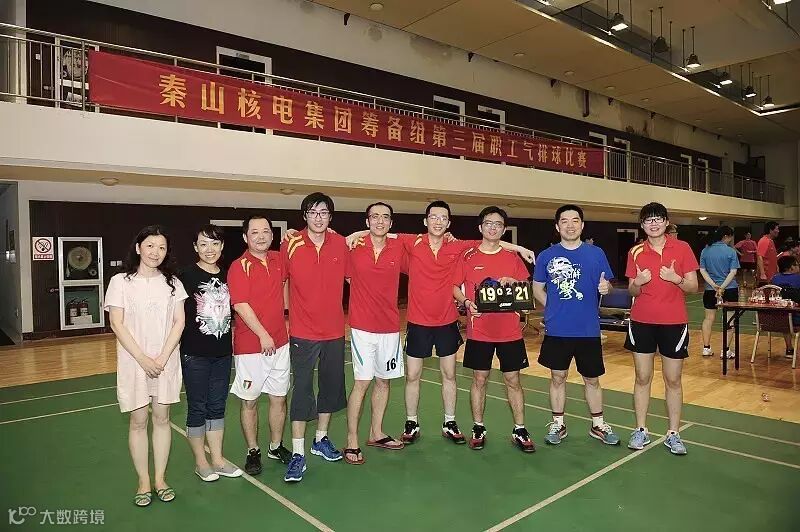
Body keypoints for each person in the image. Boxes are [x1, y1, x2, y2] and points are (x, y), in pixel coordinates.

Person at [387, 201, 534, 446]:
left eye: (443, 218)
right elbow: (379, 230)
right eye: (434, 217)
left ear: (449, 223)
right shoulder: (412, 241)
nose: (438, 221)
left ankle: (450, 422)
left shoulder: (457, 247)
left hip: (447, 320)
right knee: (412, 375)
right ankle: (411, 422)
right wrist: (353, 235)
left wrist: (519, 248)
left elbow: (491, 240)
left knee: (450, 375)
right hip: (418, 320)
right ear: (425, 221)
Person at [105, 225, 187, 507]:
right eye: (150, 245)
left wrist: (161, 358)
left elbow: (179, 322)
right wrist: (142, 359)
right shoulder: (120, 282)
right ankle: (143, 480)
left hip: (165, 361)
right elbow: (116, 323)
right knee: (138, 421)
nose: (156, 252)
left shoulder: (173, 283)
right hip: (134, 361)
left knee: (162, 419)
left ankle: (160, 478)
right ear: (138, 248)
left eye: (162, 247)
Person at [532, 205, 620, 447]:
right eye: (564, 221)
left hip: (588, 329)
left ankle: (598, 425)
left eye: (575, 220)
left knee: (592, 379)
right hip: (558, 328)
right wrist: (554, 308)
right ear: (557, 226)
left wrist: (607, 288)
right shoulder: (546, 256)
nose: (570, 225)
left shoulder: (596, 253)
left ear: (582, 225)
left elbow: (608, 285)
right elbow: (537, 288)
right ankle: (558, 424)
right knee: (557, 376)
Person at [452, 206, 535, 452]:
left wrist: (514, 282)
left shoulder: (512, 258)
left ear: (503, 229)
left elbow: (525, 287)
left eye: (498, 224)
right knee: (479, 379)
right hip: (480, 331)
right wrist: (467, 302)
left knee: (513, 380)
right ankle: (478, 427)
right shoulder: (468, 256)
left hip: (510, 331)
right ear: (480, 227)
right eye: (488, 223)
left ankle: (519, 429)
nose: (493, 228)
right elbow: (454, 286)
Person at [281, 192, 348, 482]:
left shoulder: (341, 243)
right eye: (312, 212)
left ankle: (321, 438)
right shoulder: (290, 243)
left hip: (334, 331)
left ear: (330, 217)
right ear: (305, 216)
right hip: (302, 331)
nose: (318, 217)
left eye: (323, 212)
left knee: (331, 388)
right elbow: (280, 280)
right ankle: (298, 453)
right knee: (303, 391)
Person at [625, 203, 698, 456]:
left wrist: (675, 278)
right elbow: (632, 290)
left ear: (666, 222)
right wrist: (638, 282)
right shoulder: (635, 251)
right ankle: (640, 429)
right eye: (648, 220)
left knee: (673, 379)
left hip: (674, 322)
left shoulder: (683, 248)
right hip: (641, 321)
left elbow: (693, 287)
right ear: (642, 225)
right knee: (642, 377)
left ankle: (673, 433)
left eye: (658, 219)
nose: (653, 224)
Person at [227, 215, 293, 479]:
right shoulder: (238, 266)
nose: (261, 236)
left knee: (279, 398)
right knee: (250, 401)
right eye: (254, 232)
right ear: (245, 237)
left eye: (266, 231)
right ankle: (253, 450)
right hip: (251, 347)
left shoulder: (279, 259)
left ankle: (275, 446)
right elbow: (240, 305)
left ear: (272, 235)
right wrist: (264, 335)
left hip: (281, 344)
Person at [343, 202, 407, 465]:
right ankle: (351, 440)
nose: (380, 221)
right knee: (362, 382)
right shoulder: (353, 247)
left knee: (384, 381)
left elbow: (428, 246)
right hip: (362, 327)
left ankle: (376, 433)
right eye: (375, 217)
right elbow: (347, 276)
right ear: (367, 221)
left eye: (385, 217)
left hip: (390, 327)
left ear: (391, 223)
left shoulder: (399, 248)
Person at [179, 224, 242, 482]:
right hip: (194, 354)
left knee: (217, 406)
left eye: (215, 244)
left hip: (223, 353)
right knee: (198, 407)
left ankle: (217, 459)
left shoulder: (229, 275)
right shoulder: (184, 276)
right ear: (195, 247)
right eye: (203, 244)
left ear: (222, 246)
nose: (209, 249)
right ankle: (201, 462)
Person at [699, 226, 739, 360]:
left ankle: (706, 348)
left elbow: (702, 270)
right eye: (731, 237)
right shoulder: (731, 251)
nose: (731, 240)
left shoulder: (705, 250)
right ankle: (725, 350)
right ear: (726, 236)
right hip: (730, 289)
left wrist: (714, 285)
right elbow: (733, 272)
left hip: (710, 290)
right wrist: (722, 287)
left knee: (708, 318)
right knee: (729, 320)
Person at [771, 255, 800, 360]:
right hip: (797, 319)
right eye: (797, 264)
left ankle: (789, 349)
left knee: (786, 316)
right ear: (791, 267)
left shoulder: (775, 279)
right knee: (790, 315)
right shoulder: (798, 278)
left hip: (777, 319)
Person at [757, 222, 780, 287]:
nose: (778, 231)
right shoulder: (764, 240)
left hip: (772, 274)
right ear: (770, 230)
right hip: (766, 276)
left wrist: (777, 267)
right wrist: (762, 273)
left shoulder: (771, 241)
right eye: (776, 229)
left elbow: (772, 257)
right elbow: (759, 257)